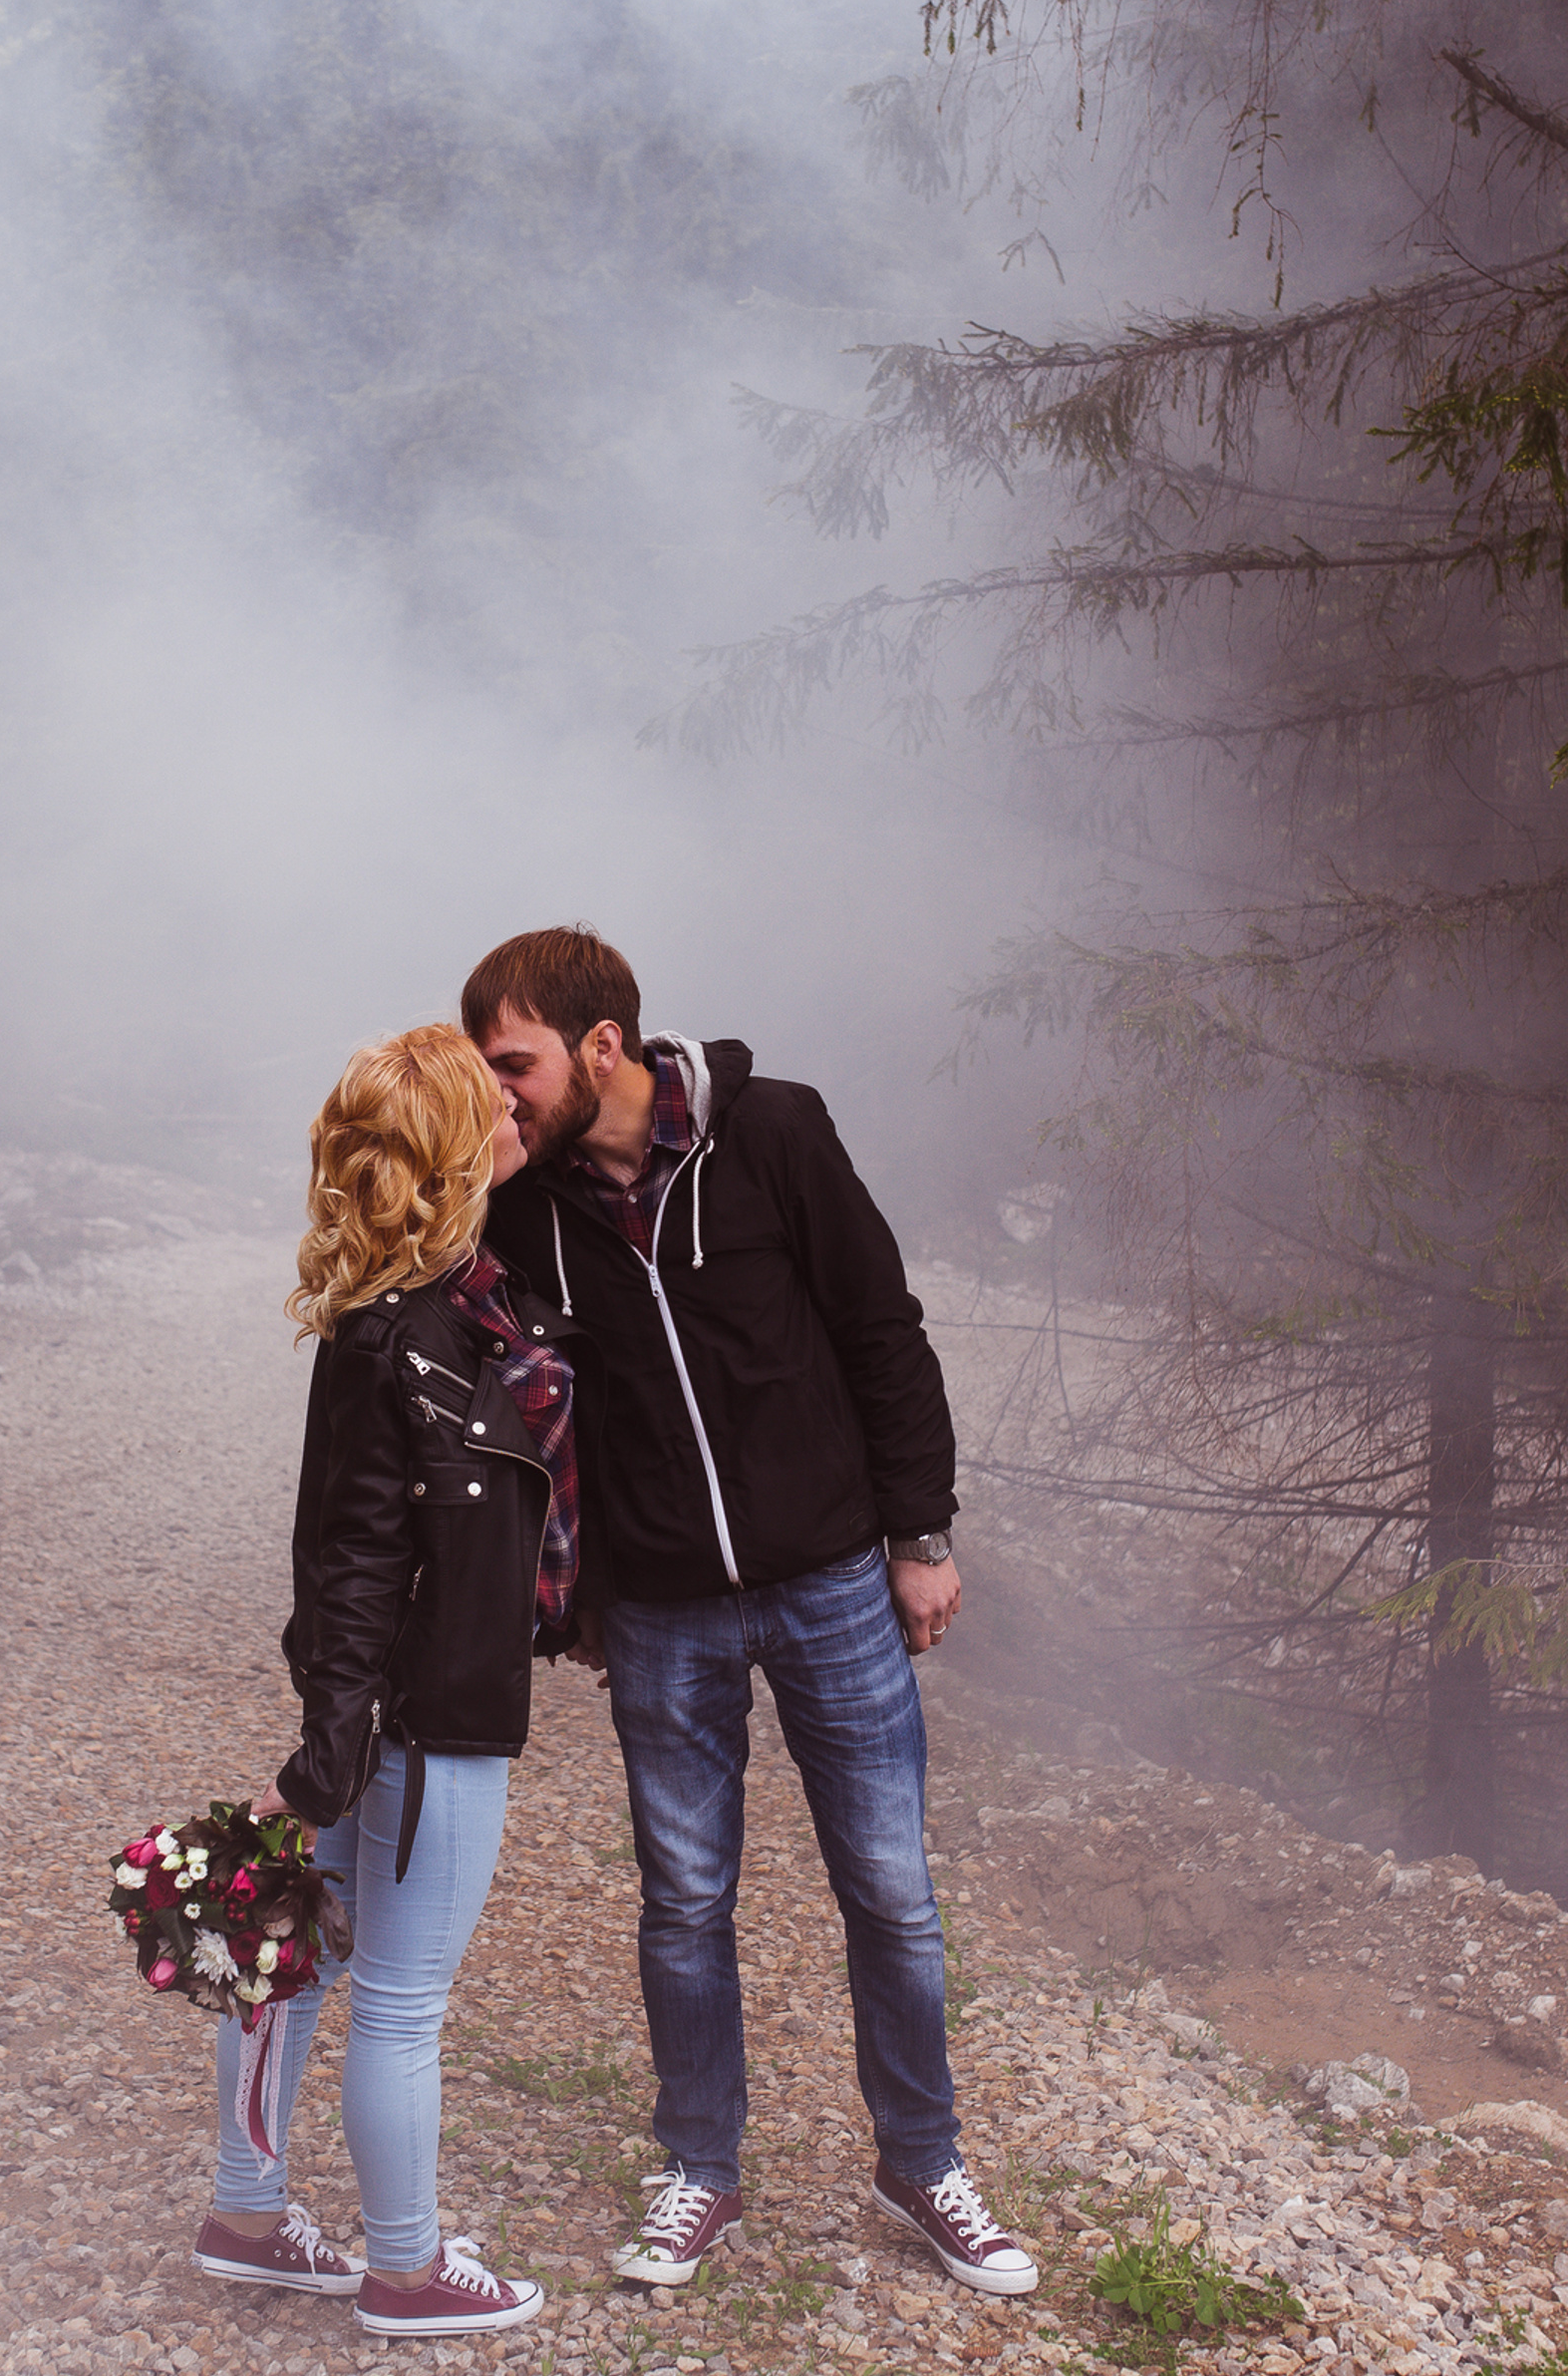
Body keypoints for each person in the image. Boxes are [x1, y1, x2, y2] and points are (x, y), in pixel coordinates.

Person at [465, 926, 1040, 2299]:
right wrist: (581, 1593)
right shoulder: (525, 1205)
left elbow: (880, 1330)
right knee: (683, 1901)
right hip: (662, 1609)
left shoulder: (771, 1132)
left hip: (834, 1578)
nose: (500, 1096)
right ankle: (699, 2170)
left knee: (891, 1892)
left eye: (514, 1067)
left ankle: (923, 2158)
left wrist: (921, 1536)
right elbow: (519, 1398)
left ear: (601, 1048)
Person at [189, 1023, 581, 2341]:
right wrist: (327, 1750)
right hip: (426, 1724)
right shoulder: (405, 1335)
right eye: (498, 1112)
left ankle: (247, 2215)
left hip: (401, 1715)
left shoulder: (445, 1311)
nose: (524, 1121)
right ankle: (407, 2271)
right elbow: (355, 1561)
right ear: (461, 1155)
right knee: (399, 2001)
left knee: (301, 1957)